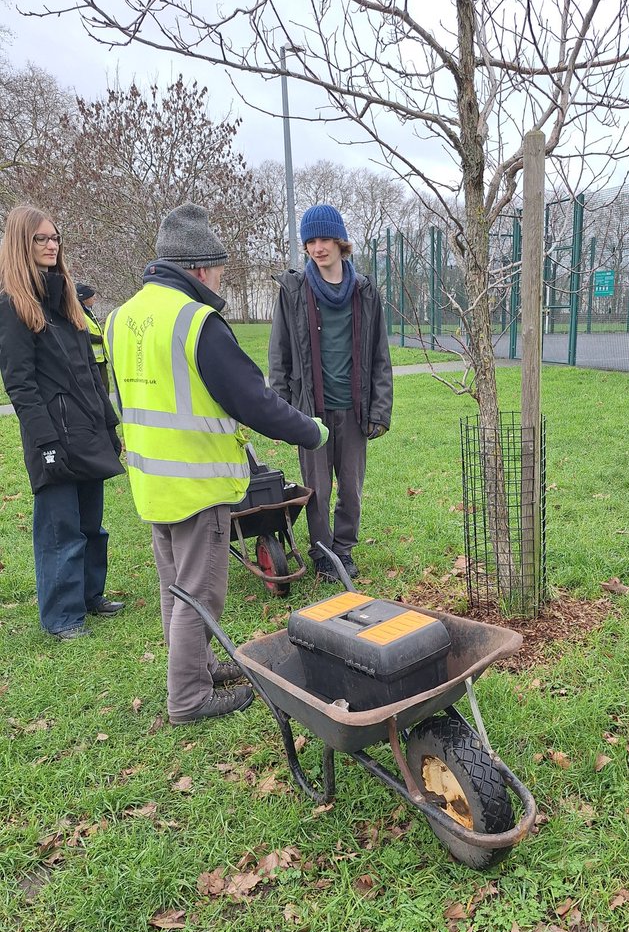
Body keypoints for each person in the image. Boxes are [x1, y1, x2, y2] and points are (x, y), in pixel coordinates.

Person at [106, 203, 328, 726]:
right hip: (197, 486)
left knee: (175, 588)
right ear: (200, 268)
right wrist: (311, 430)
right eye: (221, 269)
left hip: (151, 484)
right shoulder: (196, 322)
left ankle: (198, 667)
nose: (222, 278)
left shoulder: (121, 317)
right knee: (199, 594)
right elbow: (255, 402)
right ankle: (188, 698)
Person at [0, 205, 125, 640]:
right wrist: (45, 442)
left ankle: (90, 597)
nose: (51, 245)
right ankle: (61, 617)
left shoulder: (68, 299)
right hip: (52, 436)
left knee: (92, 524)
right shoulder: (14, 306)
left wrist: (110, 424)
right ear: (21, 244)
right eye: (40, 239)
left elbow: (92, 372)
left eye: (54, 238)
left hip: (88, 431)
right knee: (60, 530)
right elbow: (20, 384)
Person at [268, 204, 392, 581]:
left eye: (324, 239)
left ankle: (344, 549)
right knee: (317, 490)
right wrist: (285, 412)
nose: (317, 248)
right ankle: (323, 554)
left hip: (355, 411)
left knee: (351, 488)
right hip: (310, 412)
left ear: (340, 243)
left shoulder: (365, 292)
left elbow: (379, 356)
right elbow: (280, 356)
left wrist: (380, 409)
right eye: (310, 241)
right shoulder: (293, 291)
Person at [76, 282, 110, 392]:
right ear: (84, 299)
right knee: (98, 390)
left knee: (105, 389)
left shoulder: (89, 312)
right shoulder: (79, 314)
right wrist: (101, 338)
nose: (94, 299)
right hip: (91, 360)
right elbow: (82, 335)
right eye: (91, 296)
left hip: (100, 360)